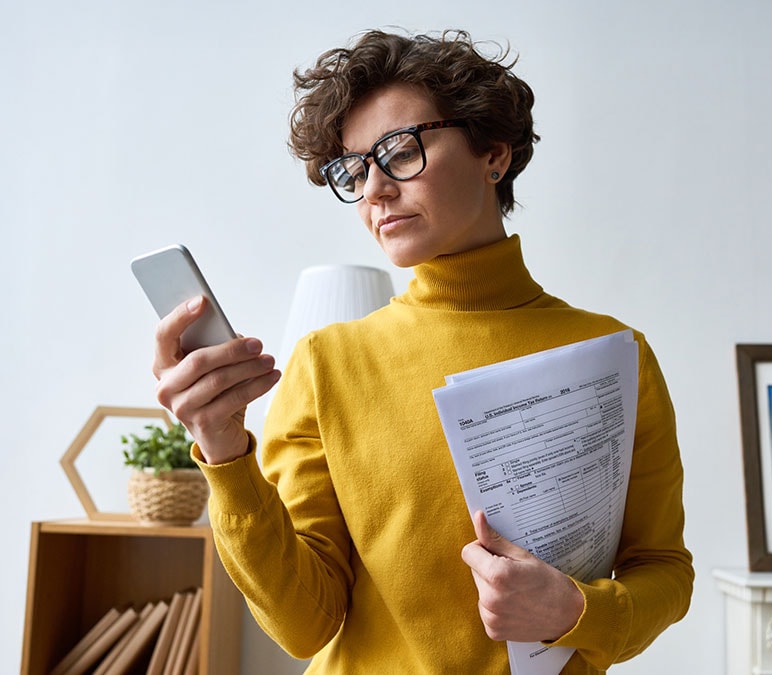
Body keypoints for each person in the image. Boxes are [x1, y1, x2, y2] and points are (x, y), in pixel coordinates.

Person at [152, 28, 693, 674]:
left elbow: (663, 568)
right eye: (354, 170)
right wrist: (223, 451)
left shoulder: (615, 353)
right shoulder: (327, 363)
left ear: (494, 153)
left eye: (401, 151)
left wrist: (577, 610)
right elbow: (303, 624)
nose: (374, 189)